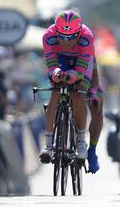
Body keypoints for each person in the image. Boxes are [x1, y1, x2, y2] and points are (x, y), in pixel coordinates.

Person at [39, 10, 99, 168]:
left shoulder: (87, 37)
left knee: (77, 93)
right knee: (55, 92)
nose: (65, 41)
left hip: (80, 60)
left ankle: (80, 139)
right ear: (55, 31)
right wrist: (56, 73)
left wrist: (75, 76)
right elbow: (51, 65)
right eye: (62, 36)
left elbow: (82, 70)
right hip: (60, 60)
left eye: (71, 37)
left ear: (79, 33)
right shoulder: (48, 36)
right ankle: (48, 144)